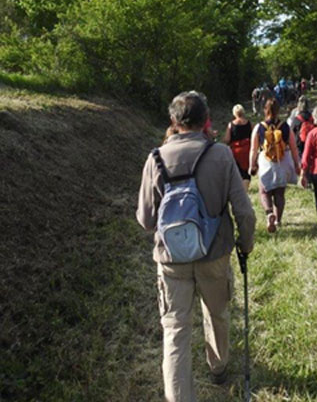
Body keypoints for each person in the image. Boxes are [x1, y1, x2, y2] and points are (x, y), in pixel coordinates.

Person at [136, 91, 256, 401]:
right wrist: (246, 242)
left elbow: (146, 219)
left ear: (173, 122)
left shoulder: (155, 158)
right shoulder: (221, 156)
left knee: (175, 330)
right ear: (206, 122)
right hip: (214, 254)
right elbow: (243, 211)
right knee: (216, 313)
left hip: (171, 259)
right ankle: (218, 368)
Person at [249, 97, 301, 233]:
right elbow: (294, 148)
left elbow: (253, 149)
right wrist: (297, 164)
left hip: (265, 161)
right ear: (278, 110)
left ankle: (269, 213)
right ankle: (278, 219)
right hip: (282, 160)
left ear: (265, 110)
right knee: (280, 192)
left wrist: (252, 165)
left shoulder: (259, 127)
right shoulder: (285, 126)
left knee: (264, 191)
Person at [222, 104, 253, 190]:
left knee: (238, 170)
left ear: (234, 113)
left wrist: (223, 139)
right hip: (248, 149)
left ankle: (240, 187)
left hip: (236, 151)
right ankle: (245, 186)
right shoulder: (249, 123)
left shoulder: (231, 125)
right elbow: (254, 135)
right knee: (247, 170)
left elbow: (227, 139)